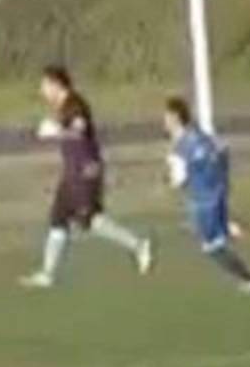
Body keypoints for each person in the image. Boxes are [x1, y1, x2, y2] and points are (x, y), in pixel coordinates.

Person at [23, 66, 153, 289]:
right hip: (71, 172)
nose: (42, 91)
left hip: (84, 171)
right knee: (58, 219)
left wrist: (56, 131)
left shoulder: (75, 104)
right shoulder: (64, 106)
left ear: (56, 84)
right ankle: (47, 274)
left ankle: (138, 244)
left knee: (90, 221)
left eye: (44, 86)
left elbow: (79, 130)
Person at [163, 97, 250, 293]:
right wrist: (221, 180)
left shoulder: (179, 148)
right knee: (217, 231)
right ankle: (230, 228)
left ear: (175, 118)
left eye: (166, 118)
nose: (164, 122)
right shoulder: (200, 135)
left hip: (202, 201)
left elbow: (179, 180)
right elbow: (223, 151)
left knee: (212, 247)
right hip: (218, 192)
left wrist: (171, 181)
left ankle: (249, 280)